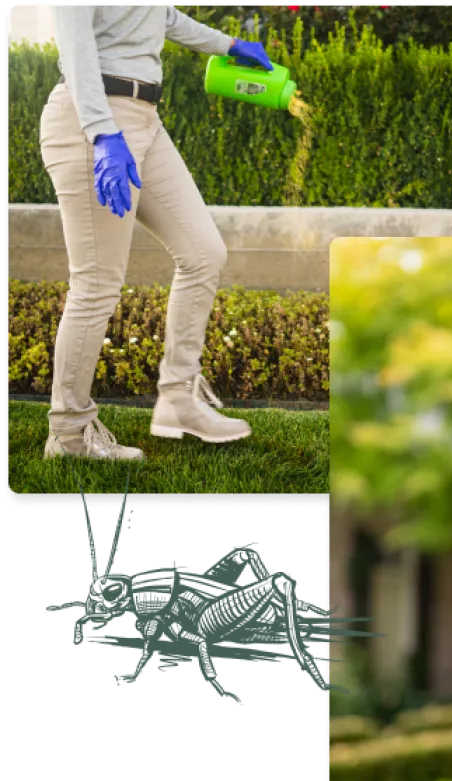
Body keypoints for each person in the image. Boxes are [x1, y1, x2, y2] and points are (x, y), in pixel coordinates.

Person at [40, 4, 275, 461]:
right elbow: (73, 39)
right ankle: (68, 434)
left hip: (145, 118)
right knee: (96, 284)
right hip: (93, 120)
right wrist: (101, 132)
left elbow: (161, 16)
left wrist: (229, 45)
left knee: (204, 252)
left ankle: (178, 399)